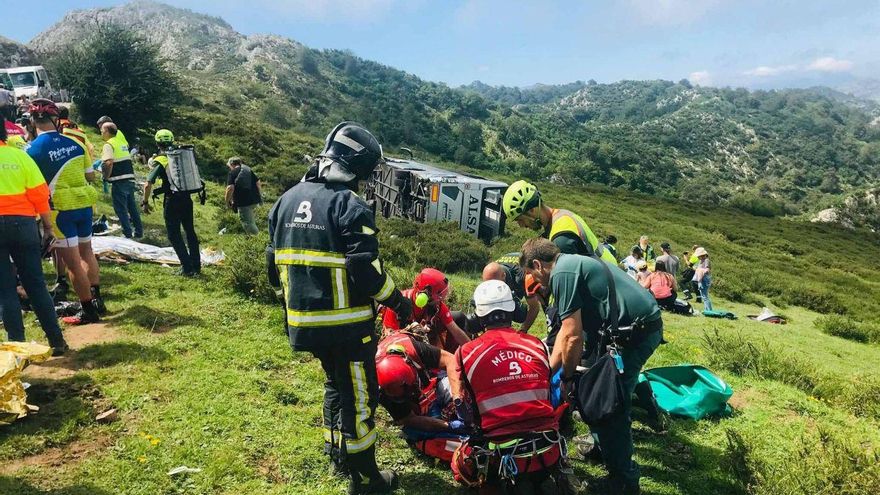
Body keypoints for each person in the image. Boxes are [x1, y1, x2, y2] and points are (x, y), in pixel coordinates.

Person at [267, 122, 412, 494]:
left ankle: (338, 453)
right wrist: (398, 301)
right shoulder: (350, 205)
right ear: (357, 166)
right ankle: (365, 479)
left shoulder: (285, 200)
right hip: (347, 329)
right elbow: (366, 271)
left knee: (335, 385)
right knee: (361, 398)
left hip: (301, 325)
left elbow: (272, 269)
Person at [520, 238, 663, 494]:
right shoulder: (573, 264)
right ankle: (604, 450)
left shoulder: (562, 273)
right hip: (634, 329)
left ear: (537, 265)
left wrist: (561, 376)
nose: (537, 283)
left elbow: (571, 335)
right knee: (597, 395)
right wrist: (552, 372)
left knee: (610, 404)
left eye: (532, 275)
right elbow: (567, 334)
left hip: (635, 335)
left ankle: (623, 481)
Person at [451, 280, 577, 494]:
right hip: (547, 446)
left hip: (499, 454)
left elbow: (463, 402)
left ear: (477, 316)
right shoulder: (536, 343)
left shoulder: (464, 353)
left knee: (458, 461)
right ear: (514, 311)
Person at [26, 99, 103, 325]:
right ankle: (97, 298)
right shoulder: (76, 144)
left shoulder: (31, 150)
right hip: (84, 206)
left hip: (60, 211)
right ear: (57, 120)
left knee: (72, 264)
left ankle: (87, 309)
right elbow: (90, 176)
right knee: (87, 252)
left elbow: (32, 184)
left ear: (32, 121)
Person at [0, 112, 69, 355]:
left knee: (5, 289)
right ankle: (57, 341)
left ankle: (17, 349)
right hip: (24, 225)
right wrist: (48, 227)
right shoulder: (19, 156)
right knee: (36, 284)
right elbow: (40, 195)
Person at [375, 331, 465, 463]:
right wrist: (447, 426)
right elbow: (409, 419)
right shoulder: (382, 389)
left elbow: (451, 360)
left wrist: (458, 398)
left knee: (463, 394)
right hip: (421, 410)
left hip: (436, 384)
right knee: (415, 431)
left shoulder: (412, 349)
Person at [502, 180, 617, 263]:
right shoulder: (561, 215)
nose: (521, 226)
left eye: (520, 220)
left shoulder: (562, 239)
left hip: (608, 285)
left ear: (532, 210)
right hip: (609, 271)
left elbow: (570, 284)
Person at [142, 129, 201, 276]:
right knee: (190, 231)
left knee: (174, 235)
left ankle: (187, 268)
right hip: (187, 198)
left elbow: (148, 183)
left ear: (157, 143)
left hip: (173, 200)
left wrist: (145, 201)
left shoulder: (162, 159)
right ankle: (196, 266)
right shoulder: (180, 156)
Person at [383, 268, 470, 353]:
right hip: (400, 344)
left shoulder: (437, 306)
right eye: (440, 295)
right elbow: (390, 337)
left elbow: (456, 331)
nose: (441, 299)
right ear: (427, 294)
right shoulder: (398, 303)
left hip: (422, 340)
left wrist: (472, 351)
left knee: (459, 317)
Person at [99, 116, 142, 239]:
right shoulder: (122, 142)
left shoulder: (108, 145)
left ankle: (127, 233)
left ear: (107, 132)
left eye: (102, 131)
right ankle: (139, 232)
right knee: (132, 207)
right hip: (129, 177)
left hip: (118, 180)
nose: (101, 133)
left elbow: (108, 162)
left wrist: (105, 176)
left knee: (120, 209)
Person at [225, 156, 262, 235]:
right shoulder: (248, 170)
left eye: (229, 166)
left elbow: (230, 188)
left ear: (232, 164)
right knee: (251, 221)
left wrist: (227, 201)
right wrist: (259, 196)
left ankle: (257, 240)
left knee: (247, 223)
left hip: (243, 202)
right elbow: (258, 183)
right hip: (254, 200)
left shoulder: (233, 172)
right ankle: (252, 239)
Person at [693, 247, 712, 311]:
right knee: (703, 295)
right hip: (701, 279)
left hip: (704, 279)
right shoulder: (701, 261)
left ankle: (708, 310)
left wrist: (700, 271)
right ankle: (707, 309)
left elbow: (707, 269)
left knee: (704, 296)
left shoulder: (706, 260)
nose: (698, 257)